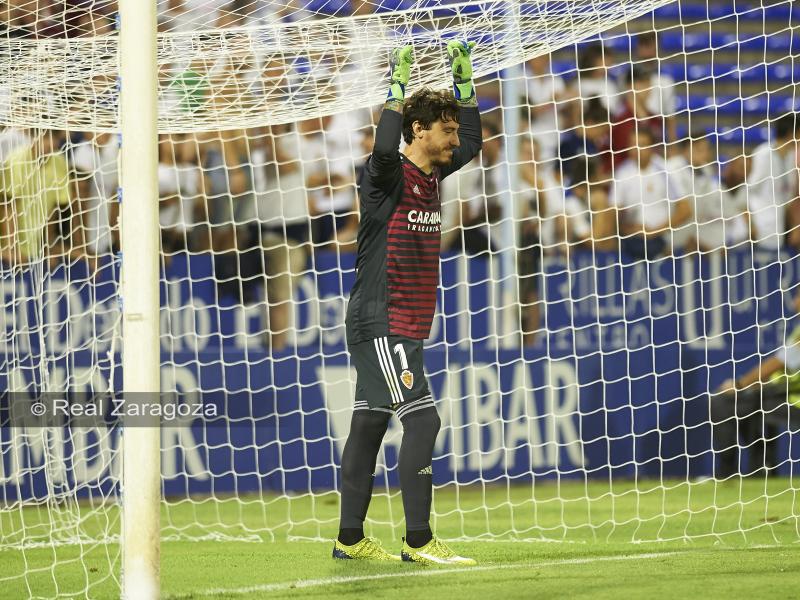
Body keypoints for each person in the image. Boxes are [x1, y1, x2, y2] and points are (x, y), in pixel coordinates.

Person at [333, 42, 482, 565]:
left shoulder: (433, 175)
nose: (453, 138)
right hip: (383, 318)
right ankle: (418, 542)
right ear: (418, 130)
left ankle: (349, 541)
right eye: (444, 128)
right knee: (422, 421)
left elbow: (474, 144)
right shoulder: (388, 176)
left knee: (371, 421)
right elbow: (381, 149)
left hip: (404, 322)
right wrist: (394, 95)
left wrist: (465, 93)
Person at [712, 293, 800, 478]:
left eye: (799, 295)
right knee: (753, 403)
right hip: (780, 394)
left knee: (722, 402)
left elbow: (780, 362)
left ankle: (728, 473)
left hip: (793, 400)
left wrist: (740, 384)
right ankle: (761, 469)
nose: (795, 300)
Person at [611, 126, 690, 259]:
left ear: (652, 147)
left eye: (641, 145)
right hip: (630, 238)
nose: (636, 150)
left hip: (662, 237)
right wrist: (628, 228)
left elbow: (685, 210)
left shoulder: (666, 171)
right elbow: (613, 212)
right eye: (633, 144)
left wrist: (654, 231)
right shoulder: (621, 173)